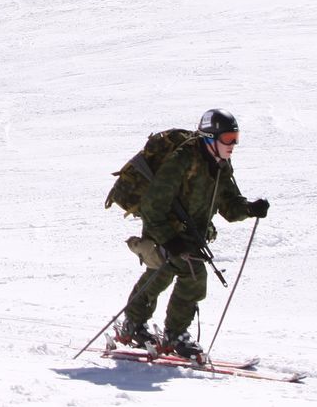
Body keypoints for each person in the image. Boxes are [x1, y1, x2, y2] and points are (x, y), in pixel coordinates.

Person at [115, 109, 268, 361]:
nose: (233, 144)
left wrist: (249, 209)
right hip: (162, 227)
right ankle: (171, 333)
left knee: (164, 274)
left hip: (191, 232)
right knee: (186, 272)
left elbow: (229, 205)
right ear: (210, 138)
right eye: (228, 138)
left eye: (235, 137)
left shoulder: (220, 164)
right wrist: (168, 238)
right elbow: (154, 203)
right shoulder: (183, 159)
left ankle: (135, 324)